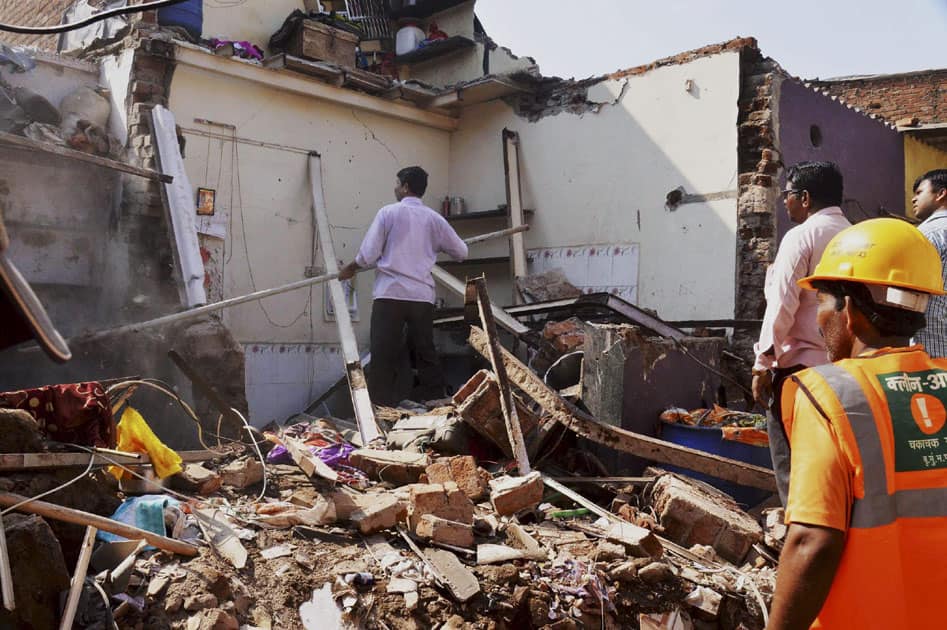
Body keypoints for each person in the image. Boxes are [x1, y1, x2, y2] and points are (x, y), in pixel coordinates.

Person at [768, 218, 947, 629]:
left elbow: (812, 540)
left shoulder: (830, 393)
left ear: (848, 311)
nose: (818, 319)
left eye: (821, 304)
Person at [751, 161, 851, 505]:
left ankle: (800, 538)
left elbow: (782, 305)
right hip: (846, 372)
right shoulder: (856, 235)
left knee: (793, 465)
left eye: (788, 194)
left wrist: (764, 362)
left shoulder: (801, 236)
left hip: (800, 372)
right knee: (835, 463)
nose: (784, 202)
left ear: (805, 198)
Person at [338, 166, 467, 405]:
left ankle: (379, 409)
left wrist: (350, 268)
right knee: (426, 353)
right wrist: (435, 245)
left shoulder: (389, 213)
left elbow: (368, 254)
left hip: (391, 295)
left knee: (383, 355)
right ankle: (437, 404)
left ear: (405, 186)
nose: (395, 188)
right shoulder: (434, 219)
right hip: (421, 298)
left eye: (397, 183)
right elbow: (461, 251)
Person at [911, 169, 947, 358]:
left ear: (941, 194)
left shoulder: (926, 235)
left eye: (919, 193)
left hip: (929, 350)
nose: (913, 200)